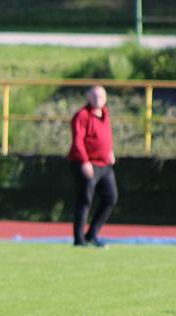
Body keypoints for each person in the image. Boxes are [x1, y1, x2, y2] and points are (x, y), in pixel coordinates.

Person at [68, 85, 118, 248]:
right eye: (95, 96)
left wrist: (109, 151)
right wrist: (84, 161)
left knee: (110, 197)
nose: (98, 100)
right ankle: (79, 239)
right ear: (88, 97)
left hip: (104, 164)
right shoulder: (82, 116)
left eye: (101, 97)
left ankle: (92, 234)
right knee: (85, 200)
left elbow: (105, 136)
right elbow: (78, 141)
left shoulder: (105, 114)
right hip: (87, 164)